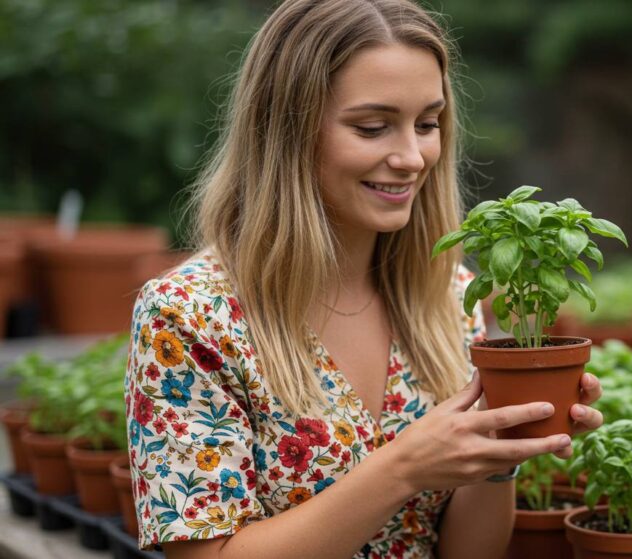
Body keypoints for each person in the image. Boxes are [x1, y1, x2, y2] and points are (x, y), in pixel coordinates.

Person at [124, 1, 605, 558]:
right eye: (373, 127)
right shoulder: (189, 315)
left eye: (428, 124)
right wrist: (402, 470)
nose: (412, 156)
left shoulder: (446, 295)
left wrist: (498, 457)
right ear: (286, 131)